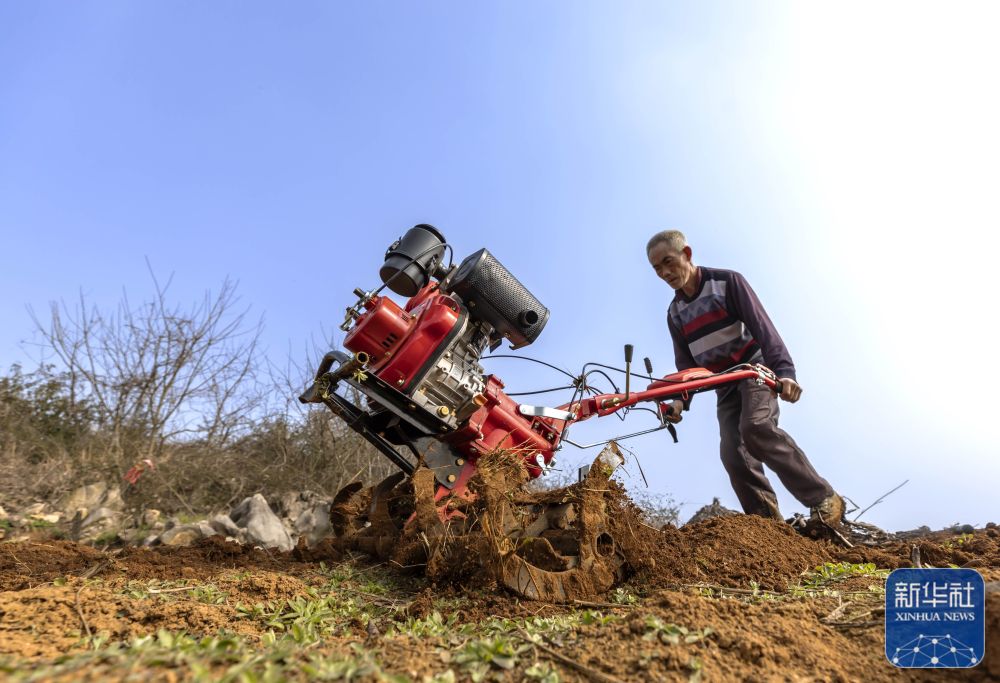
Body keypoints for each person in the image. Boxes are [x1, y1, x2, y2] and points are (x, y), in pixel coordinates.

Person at [646, 229, 845, 526]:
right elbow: (685, 366)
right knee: (733, 454)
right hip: (723, 384)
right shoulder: (675, 313)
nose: (664, 272)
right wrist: (678, 400)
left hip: (754, 371)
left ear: (687, 254)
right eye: (657, 268)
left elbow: (763, 328)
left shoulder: (726, 283)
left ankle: (824, 498)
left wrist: (785, 372)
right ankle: (768, 525)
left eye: (668, 262)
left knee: (756, 427)